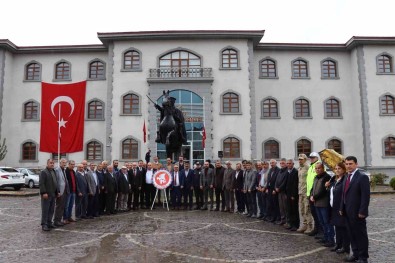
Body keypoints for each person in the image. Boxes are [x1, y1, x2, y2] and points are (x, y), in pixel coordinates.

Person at [340, 156, 370, 263]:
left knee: (360, 235)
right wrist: (341, 208)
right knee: (351, 234)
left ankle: (363, 257)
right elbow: (343, 194)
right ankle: (356, 254)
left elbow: (365, 196)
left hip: (358, 213)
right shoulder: (346, 177)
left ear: (356, 164)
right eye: (347, 164)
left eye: (350, 164)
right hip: (347, 212)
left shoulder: (362, 177)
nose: (348, 166)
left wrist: (362, 211)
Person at [326, 162, 350, 255]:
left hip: (341, 207)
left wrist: (342, 207)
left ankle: (345, 246)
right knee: (337, 227)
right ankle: (338, 244)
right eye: (336, 169)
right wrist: (327, 186)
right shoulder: (335, 179)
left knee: (343, 228)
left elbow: (344, 194)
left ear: (344, 169)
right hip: (334, 207)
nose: (337, 170)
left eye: (339, 168)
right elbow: (332, 192)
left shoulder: (345, 179)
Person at [310, 162, 334, 247]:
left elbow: (324, 190)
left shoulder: (327, 177)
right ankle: (325, 237)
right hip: (317, 203)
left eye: (319, 168)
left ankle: (330, 239)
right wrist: (311, 195)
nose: (317, 170)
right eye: (316, 168)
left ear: (323, 168)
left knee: (326, 222)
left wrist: (315, 197)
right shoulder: (316, 177)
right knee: (321, 222)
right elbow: (313, 188)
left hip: (324, 203)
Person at [39, 159, 58, 231]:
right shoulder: (43, 172)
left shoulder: (53, 171)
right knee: (45, 210)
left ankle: (49, 222)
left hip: (53, 194)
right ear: (47, 164)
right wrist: (43, 192)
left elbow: (55, 182)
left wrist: (57, 191)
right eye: (51, 163)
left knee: (51, 210)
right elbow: (41, 183)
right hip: (46, 194)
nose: (52, 164)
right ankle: (44, 224)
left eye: (53, 163)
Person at [305, 152, 321, 237]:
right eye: (310, 157)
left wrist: (313, 194)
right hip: (309, 193)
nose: (311, 159)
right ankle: (316, 229)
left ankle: (319, 231)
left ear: (317, 158)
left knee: (318, 215)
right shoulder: (311, 166)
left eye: (313, 157)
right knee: (314, 214)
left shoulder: (318, 166)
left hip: (315, 194)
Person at [297, 153, 313, 233]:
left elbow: (310, 180)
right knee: (302, 210)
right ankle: (304, 225)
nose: (300, 161)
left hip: (306, 192)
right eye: (299, 159)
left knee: (307, 210)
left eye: (301, 159)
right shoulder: (299, 168)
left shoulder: (308, 168)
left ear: (305, 159)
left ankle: (310, 226)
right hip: (300, 191)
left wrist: (309, 192)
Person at [285, 159, 299, 231]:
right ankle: (290, 223)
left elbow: (295, 184)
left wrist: (293, 195)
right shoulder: (287, 172)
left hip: (293, 195)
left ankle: (295, 225)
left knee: (294, 210)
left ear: (293, 164)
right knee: (289, 209)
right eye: (287, 163)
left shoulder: (295, 172)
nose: (288, 165)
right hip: (288, 194)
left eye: (290, 163)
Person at [54, 158, 68, 227]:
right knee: (58, 206)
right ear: (60, 163)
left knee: (62, 206)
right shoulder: (57, 170)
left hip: (64, 191)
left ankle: (59, 220)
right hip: (60, 191)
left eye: (65, 162)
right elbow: (56, 182)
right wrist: (58, 191)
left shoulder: (64, 170)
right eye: (63, 162)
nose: (64, 164)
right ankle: (56, 221)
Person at [275, 158, 288, 225]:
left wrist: (279, 188)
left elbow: (284, 181)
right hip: (279, 191)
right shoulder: (280, 171)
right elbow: (276, 180)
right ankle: (282, 219)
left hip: (283, 191)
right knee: (281, 206)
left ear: (286, 163)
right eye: (281, 163)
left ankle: (286, 220)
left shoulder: (287, 171)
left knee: (285, 207)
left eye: (283, 163)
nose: (281, 164)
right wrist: (276, 187)